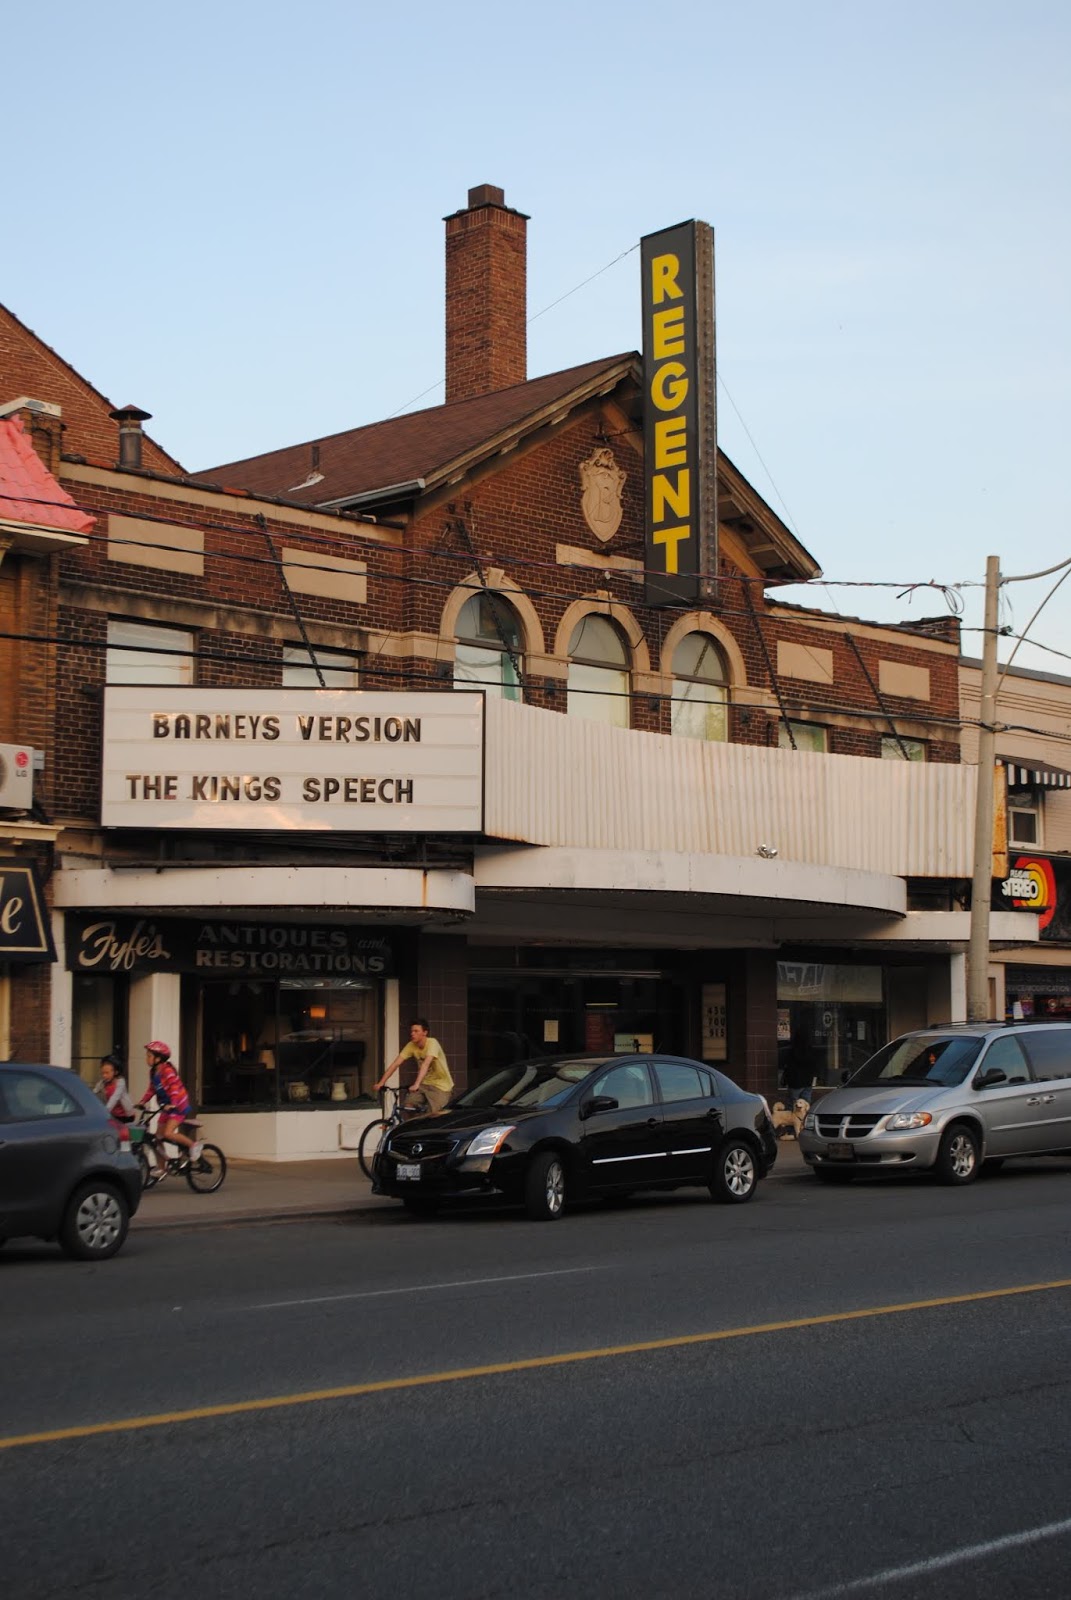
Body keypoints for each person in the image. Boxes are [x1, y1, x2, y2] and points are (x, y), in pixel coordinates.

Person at [135, 1041, 203, 1164]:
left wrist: (174, 1103)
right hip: (166, 1107)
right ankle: (162, 1168)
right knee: (157, 1138)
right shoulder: (153, 1072)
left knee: (168, 1133)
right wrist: (142, 1101)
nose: (146, 1059)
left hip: (178, 1106)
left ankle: (194, 1145)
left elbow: (174, 1088)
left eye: (149, 1056)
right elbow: (151, 1089)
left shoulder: (168, 1071)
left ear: (158, 1059)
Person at [373, 1019, 454, 1115]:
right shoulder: (411, 1045)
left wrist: (416, 1084)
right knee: (408, 1106)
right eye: (411, 1031)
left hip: (440, 1086)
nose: (412, 1034)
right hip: (424, 1084)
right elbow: (395, 1064)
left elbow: (426, 1064)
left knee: (434, 1115)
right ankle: (418, 1122)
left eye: (416, 1031)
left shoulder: (432, 1043)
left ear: (425, 1033)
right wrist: (381, 1083)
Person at [93, 1053, 135, 1122]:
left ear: (116, 1072)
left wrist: (105, 1111)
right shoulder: (102, 1083)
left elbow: (114, 1098)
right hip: (112, 1115)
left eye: (107, 1073)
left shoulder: (120, 1083)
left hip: (125, 1116)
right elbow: (93, 1093)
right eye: (103, 1073)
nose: (104, 1076)